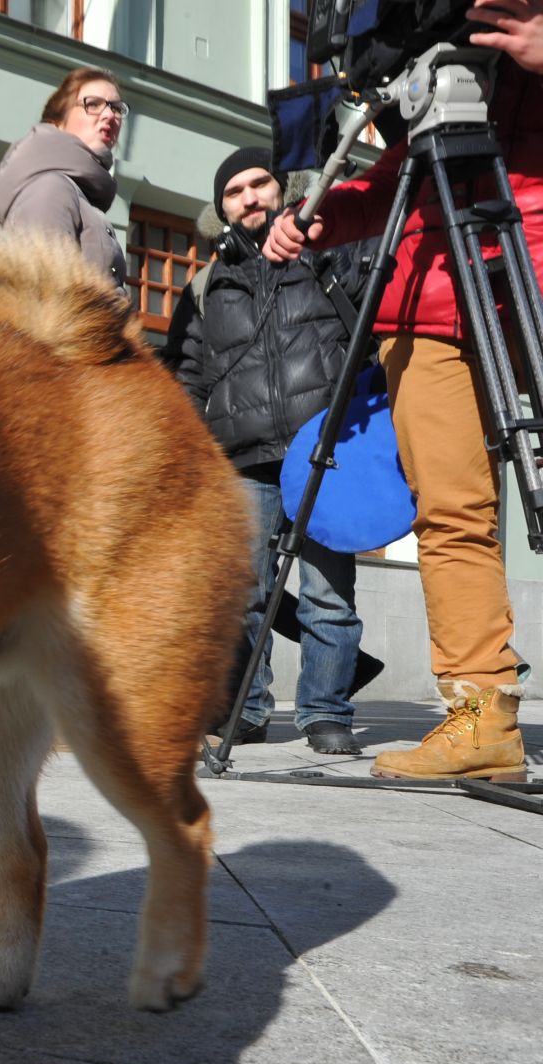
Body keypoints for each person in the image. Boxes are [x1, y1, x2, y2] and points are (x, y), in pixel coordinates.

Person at [264, 0, 541, 781]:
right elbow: (398, 181)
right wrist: (318, 219)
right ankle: (480, 713)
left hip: (531, 272)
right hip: (429, 302)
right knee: (450, 511)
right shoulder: (436, 51)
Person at [166, 147, 383, 755]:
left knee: (326, 593)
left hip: (328, 450)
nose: (249, 197)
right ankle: (246, 711)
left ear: (283, 190)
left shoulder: (329, 255)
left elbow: (379, 320)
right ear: (223, 210)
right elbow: (185, 374)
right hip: (240, 460)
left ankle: (324, 713)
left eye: (259, 183)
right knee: (242, 595)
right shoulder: (209, 285)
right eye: (233, 192)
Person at [0, 66, 129, 291]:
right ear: (56, 123)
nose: (110, 115)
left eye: (116, 108)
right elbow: (43, 299)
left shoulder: (77, 193)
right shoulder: (51, 188)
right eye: (92, 104)